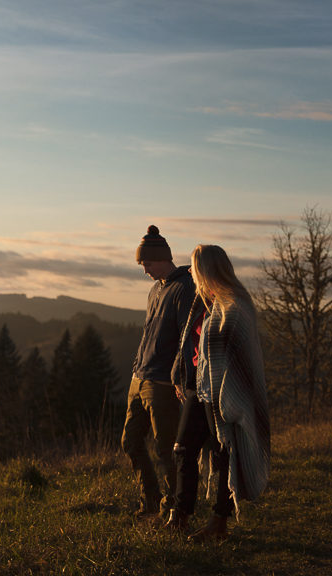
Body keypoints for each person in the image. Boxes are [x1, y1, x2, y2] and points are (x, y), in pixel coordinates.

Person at [163, 244, 270, 541]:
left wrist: (228, 395)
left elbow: (240, 358)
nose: (193, 275)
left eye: (196, 269)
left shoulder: (236, 307)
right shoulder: (204, 302)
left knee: (224, 453)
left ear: (207, 270)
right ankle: (180, 514)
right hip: (199, 388)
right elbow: (190, 345)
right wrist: (181, 375)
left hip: (224, 392)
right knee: (184, 448)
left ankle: (218, 522)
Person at [120, 225, 197, 520]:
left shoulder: (184, 288)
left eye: (147, 264)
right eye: (142, 264)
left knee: (166, 449)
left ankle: (172, 508)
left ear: (163, 258)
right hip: (139, 377)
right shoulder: (156, 289)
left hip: (163, 382)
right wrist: (137, 367)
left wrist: (178, 378)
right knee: (130, 441)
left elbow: (186, 338)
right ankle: (150, 500)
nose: (145, 270)